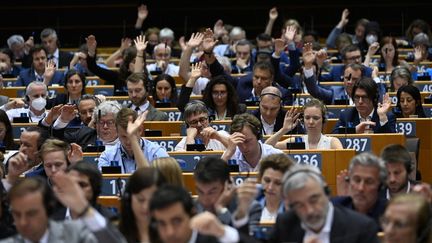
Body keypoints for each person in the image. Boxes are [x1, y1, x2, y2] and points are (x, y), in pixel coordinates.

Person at [269, 164, 380, 242]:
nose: (310, 211)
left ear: (327, 193)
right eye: (299, 205)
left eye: (314, 200)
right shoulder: (285, 224)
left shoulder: (361, 227)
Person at [2, 175, 126, 242]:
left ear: (48, 209)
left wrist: (84, 209)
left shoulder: (74, 234)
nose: (23, 222)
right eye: (17, 215)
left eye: (31, 213)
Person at [150, 184, 246, 243]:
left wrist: (223, 232)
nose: (169, 232)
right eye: (162, 223)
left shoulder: (215, 239)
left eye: (176, 221)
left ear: (192, 215)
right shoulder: (151, 239)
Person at [193, 157, 261, 226]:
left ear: (228, 185)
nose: (205, 200)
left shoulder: (250, 209)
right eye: (200, 192)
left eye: (211, 192)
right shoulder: (191, 207)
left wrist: (221, 209)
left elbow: (241, 236)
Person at [98, 108, 169, 173]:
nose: (128, 142)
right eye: (124, 137)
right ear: (117, 132)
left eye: (132, 136)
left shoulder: (157, 153)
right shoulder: (107, 156)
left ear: (140, 130)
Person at [266, 98, 343, 149]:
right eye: (307, 118)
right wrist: (284, 130)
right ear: (303, 120)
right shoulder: (296, 141)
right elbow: (266, 147)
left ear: (323, 120)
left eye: (315, 118)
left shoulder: (332, 142)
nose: (311, 122)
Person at [333, 152, 388, 224]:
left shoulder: (390, 212)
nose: (361, 188)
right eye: (357, 180)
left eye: (369, 182)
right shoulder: (334, 208)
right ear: (349, 181)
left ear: (380, 186)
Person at [52, 161, 116, 220]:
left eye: (82, 185)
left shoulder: (109, 219)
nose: (75, 189)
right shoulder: (51, 218)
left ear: (94, 189)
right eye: (71, 185)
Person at [119, 167, 166, 243]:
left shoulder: (173, 233)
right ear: (129, 199)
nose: (146, 207)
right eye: (141, 200)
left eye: (152, 201)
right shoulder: (114, 234)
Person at [2, 126, 48, 191]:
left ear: (41, 150)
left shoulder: (47, 171)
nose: (21, 149)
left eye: (27, 145)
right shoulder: (10, 160)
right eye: (21, 144)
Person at [256, 154, 294, 222]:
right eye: (267, 180)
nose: (270, 187)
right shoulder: (250, 206)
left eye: (278, 183)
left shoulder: (294, 211)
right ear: (260, 179)